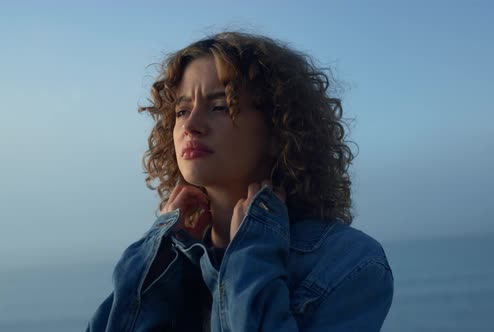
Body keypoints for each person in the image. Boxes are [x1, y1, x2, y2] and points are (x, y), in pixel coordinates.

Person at [87, 31, 393, 331]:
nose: (190, 126)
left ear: (279, 131)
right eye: (181, 110)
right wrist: (157, 258)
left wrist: (252, 255)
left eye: (219, 106)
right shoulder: (163, 260)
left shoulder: (349, 262)